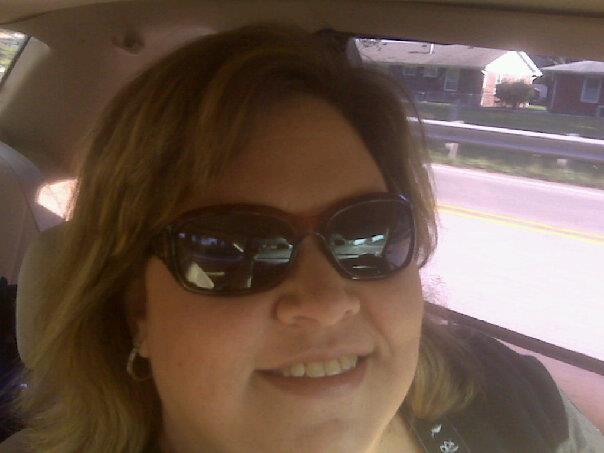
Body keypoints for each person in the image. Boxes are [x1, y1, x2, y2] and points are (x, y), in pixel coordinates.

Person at [5, 25, 603, 452]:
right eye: (233, 250)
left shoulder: (510, 400)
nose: (325, 301)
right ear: (138, 310)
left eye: (369, 233)